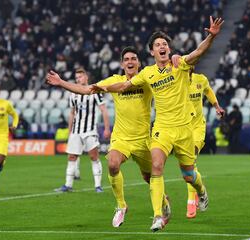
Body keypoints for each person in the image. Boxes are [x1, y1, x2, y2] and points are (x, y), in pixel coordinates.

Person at [93, 16, 224, 231]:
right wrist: (103, 88)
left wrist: (211, 36)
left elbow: (198, 53)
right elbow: (125, 85)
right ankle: (158, 216)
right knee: (156, 166)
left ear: (169, 49)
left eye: (164, 44)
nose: (162, 46)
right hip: (162, 129)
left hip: (184, 129)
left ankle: (200, 191)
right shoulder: (147, 74)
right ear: (152, 52)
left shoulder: (180, 64)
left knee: (188, 174)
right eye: (157, 45)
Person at [46, 46, 173, 228]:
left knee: (149, 177)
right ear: (122, 64)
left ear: (138, 63)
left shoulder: (146, 78)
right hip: (121, 138)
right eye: (126, 59)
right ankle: (121, 206)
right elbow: (88, 90)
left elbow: (167, 77)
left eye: (133, 58)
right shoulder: (114, 80)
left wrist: (173, 59)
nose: (130, 61)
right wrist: (61, 83)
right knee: (112, 164)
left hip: (143, 140)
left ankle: (163, 200)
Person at [54, 68, 111, 193]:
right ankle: (68, 185)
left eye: (80, 77)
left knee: (94, 156)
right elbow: (72, 113)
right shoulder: (73, 94)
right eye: (76, 78)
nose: (77, 79)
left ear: (86, 77)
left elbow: (104, 110)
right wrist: (70, 131)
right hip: (76, 130)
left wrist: (107, 129)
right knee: (72, 157)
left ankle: (98, 186)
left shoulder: (95, 91)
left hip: (90, 130)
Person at [185, 68, 225, 218]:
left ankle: (190, 200)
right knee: (187, 166)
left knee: (191, 159)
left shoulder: (200, 79)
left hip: (197, 127)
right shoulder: (175, 81)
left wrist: (217, 107)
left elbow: (208, 91)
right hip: (182, 127)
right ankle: (199, 189)